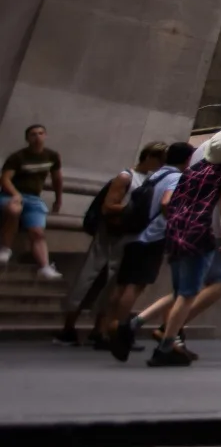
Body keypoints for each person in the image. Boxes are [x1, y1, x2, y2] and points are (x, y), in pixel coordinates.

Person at [149, 127, 221, 365]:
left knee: (183, 290)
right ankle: (168, 332)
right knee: (214, 282)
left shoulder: (201, 155)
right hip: (208, 233)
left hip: (181, 232)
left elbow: (173, 201)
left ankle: (164, 333)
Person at [58, 142, 168, 347]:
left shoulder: (153, 179)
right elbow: (108, 206)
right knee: (89, 279)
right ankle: (68, 328)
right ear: (149, 157)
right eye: (160, 159)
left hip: (129, 238)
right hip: (110, 236)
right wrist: (133, 210)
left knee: (113, 284)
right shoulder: (126, 176)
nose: (161, 164)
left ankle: (99, 330)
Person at [101, 141, 195, 361]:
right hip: (152, 236)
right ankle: (122, 329)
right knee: (135, 285)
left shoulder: (156, 175)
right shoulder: (175, 178)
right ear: (187, 159)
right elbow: (167, 202)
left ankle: (107, 327)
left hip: (134, 234)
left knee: (122, 285)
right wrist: (176, 223)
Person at [1, 123, 65, 279]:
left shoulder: (52, 156)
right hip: (11, 195)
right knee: (14, 210)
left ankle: (44, 266)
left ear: (45, 136)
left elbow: (57, 179)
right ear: (27, 139)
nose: (37, 137)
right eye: (33, 134)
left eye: (41, 133)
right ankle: (5, 249)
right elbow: (5, 179)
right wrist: (16, 194)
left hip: (34, 198)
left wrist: (58, 200)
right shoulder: (17, 157)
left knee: (37, 232)